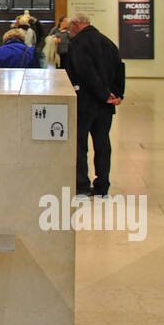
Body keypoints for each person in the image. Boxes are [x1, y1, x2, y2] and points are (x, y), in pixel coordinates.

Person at [66, 12, 125, 196]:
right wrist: (116, 94)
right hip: (105, 105)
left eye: (69, 27)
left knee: (80, 144)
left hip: (85, 103)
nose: (68, 31)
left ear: (76, 24)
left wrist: (102, 94)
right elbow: (119, 69)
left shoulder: (78, 44)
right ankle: (102, 185)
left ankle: (81, 185)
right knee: (102, 143)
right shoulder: (108, 42)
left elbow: (85, 72)